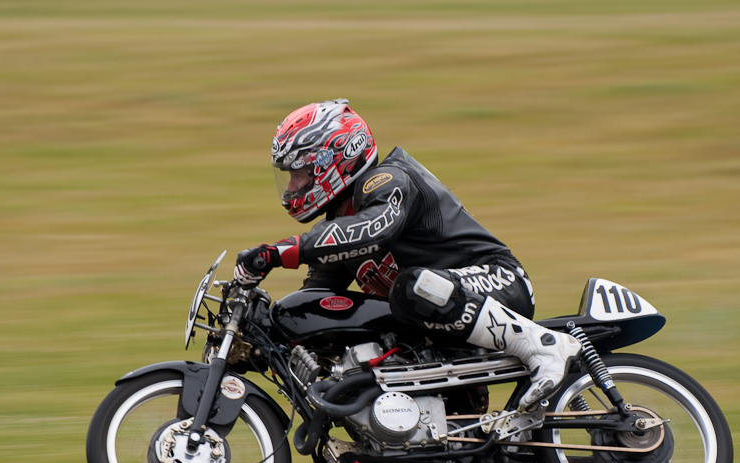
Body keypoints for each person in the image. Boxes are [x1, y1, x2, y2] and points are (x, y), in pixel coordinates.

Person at [233, 98, 581, 411]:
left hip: (498, 280)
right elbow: (320, 300)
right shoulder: (338, 222)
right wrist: (270, 334)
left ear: (335, 158)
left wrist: (280, 252)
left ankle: (544, 346)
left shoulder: (387, 180)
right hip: (438, 327)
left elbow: (374, 228)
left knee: (411, 287)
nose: (293, 187)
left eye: (300, 173)